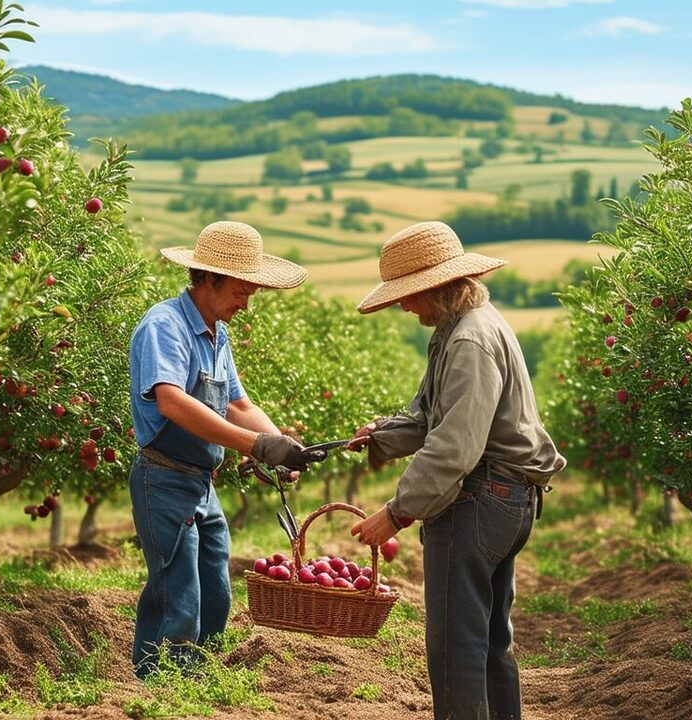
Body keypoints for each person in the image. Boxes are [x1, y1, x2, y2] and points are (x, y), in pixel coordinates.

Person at [347, 221, 566, 720]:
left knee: (456, 649)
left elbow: (454, 447)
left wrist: (397, 512)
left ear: (437, 287)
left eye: (409, 295)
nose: (404, 306)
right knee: (488, 643)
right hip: (504, 499)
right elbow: (431, 417)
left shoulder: (468, 341)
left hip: (479, 501)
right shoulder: (464, 328)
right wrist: (380, 435)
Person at [127, 220, 319, 679]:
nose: (245, 303)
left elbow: (237, 403)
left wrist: (282, 447)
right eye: (240, 291)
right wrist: (256, 444)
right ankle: (162, 684)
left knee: (215, 591)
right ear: (209, 279)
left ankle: (198, 674)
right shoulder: (164, 326)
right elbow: (172, 401)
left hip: (200, 481)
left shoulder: (217, 334)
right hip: (164, 475)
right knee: (179, 594)